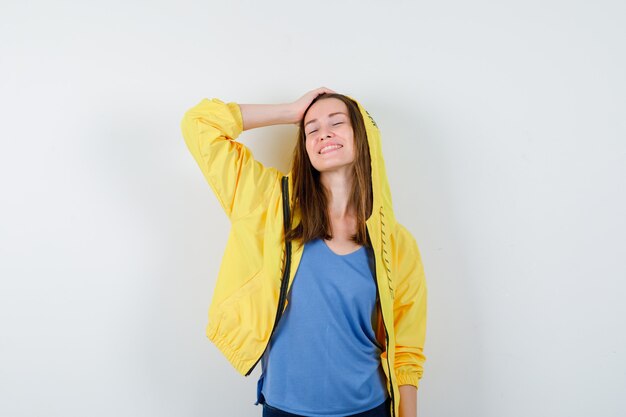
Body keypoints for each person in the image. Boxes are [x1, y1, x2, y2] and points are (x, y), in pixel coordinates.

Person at [180, 87, 428, 417]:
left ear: (363, 135)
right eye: (311, 128)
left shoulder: (397, 243)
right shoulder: (267, 203)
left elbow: (406, 352)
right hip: (284, 409)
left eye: (337, 123)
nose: (323, 132)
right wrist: (291, 112)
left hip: (369, 409)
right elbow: (199, 124)